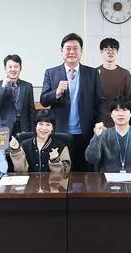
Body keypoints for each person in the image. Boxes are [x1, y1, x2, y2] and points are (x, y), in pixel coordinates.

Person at [41, 32, 106, 172]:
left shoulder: (92, 73)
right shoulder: (51, 73)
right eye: (68, 48)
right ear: (61, 51)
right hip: (59, 132)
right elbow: (43, 100)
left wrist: (100, 122)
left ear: (81, 51)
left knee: (84, 171)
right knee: (60, 170)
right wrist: (57, 92)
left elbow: (100, 101)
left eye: (75, 48)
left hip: (85, 132)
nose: (72, 52)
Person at [85, 96, 131, 173]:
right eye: (116, 110)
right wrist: (96, 136)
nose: (120, 114)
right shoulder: (103, 136)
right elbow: (91, 159)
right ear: (111, 114)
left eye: (124, 110)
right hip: (108, 179)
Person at [9, 110, 71, 174]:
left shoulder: (61, 146)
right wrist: (16, 150)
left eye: (48, 125)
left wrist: (55, 161)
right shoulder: (24, 145)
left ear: (52, 127)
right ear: (35, 126)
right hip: (30, 180)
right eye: (41, 124)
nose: (44, 128)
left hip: (52, 180)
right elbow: (20, 172)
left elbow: (65, 174)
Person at [0, 54, 36, 135]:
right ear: (5, 68)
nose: (13, 69)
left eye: (16, 66)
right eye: (10, 67)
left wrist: (32, 131)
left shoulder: (27, 86)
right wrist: (3, 87)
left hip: (23, 128)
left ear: (20, 68)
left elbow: (31, 111)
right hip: (3, 128)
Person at [96, 37, 131, 126]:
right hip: (99, 121)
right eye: (107, 49)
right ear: (101, 51)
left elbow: (128, 100)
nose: (110, 52)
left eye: (113, 49)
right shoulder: (94, 73)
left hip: (120, 120)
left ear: (117, 52)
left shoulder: (125, 74)